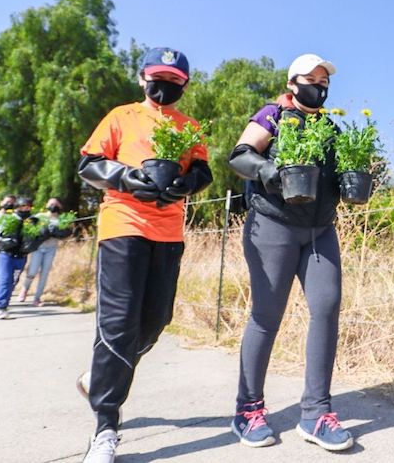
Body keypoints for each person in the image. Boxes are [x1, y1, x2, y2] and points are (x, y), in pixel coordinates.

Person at [76, 46, 212, 462]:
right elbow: (89, 164)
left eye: (174, 82)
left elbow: (202, 171)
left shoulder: (189, 128)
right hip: (123, 227)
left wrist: (186, 185)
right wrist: (128, 176)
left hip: (168, 231)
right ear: (142, 78)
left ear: (184, 86)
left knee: (156, 320)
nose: (164, 87)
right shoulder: (121, 117)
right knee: (118, 325)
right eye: (158, 79)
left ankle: (99, 377)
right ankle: (105, 427)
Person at [227, 53, 353, 451]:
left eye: (324, 80)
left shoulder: (330, 128)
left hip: (319, 231)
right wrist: (271, 173)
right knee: (267, 315)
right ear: (293, 83)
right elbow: (241, 155)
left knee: (327, 307)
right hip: (274, 225)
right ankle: (248, 410)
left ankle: (316, 413)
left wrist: (351, 180)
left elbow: (336, 176)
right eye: (311, 78)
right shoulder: (272, 115)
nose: (319, 85)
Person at [0, 196, 39, 319]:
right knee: (5, 280)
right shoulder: (8, 219)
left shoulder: (32, 221)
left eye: (28, 206)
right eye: (23, 206)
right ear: (17, 207)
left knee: (12, 281)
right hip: (6, 255)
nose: (26, 209)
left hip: (21, 257)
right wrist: (0, 241)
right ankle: (2, 306)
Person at [18, 197, 71, 306]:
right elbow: (29, 228)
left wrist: (60, 233)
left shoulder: (62, 220)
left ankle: (37, 298)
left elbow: (67, 233)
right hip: (38, 248)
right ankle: (24, 289)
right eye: (51, 203)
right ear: (46, 204)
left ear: (60, 206)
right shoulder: (40, 216)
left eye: (55, 204)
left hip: (51, 249)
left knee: (44, 273)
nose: (53, 206)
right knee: (32, 271)